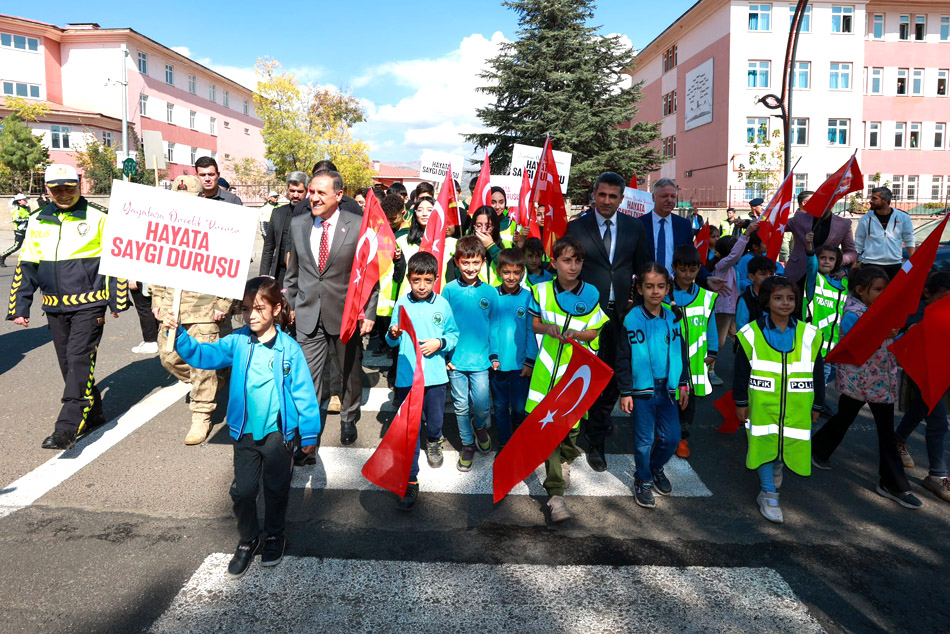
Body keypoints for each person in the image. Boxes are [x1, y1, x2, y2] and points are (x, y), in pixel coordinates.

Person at [165, 276, 320, 577]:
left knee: (276, 490)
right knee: (244, 492)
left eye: (260, 308)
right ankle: (249, 539)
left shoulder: (289, 349)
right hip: (244, 433)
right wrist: (179, 334)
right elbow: (204, 355)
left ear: (276, 309)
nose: (252, 315)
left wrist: (310, 433)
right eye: (247, 308)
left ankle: (275, 535)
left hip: (279, 435)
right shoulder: (237, 342)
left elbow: (304, 392)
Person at [6, 164, 127, 449]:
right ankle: (94, 411)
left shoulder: (99, 217)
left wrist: (117, 298)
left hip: (89, 303)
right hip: (53, 307)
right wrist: (20, 307)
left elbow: (116, 261)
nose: (62, 193)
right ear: (46, 190)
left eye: (68, 188)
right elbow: (27, 266)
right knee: (68, 364)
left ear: (79, 187)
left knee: (78, 359)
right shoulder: (37, 220)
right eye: (56, 188)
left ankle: (67, 426)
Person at [811, 266, 923, 509]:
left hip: (880, 380)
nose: (884, 294)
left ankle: (819, 450)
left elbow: (889, 342)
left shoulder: (881, 310)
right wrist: (887, 333)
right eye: (878, 290)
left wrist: (905, 334)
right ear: (860, 291)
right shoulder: (853, 314)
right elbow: (859, 343)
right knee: (862, 424)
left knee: (852, 420)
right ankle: (893, 483)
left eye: (886, 289)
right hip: (860, 380)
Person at [565, 172, 651, 472]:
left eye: (613, 196)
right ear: (594, 194)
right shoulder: (576, 227)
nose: (606, 201)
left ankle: (596, 436)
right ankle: (580, 430)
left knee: (613, 377)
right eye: (602, 195)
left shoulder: (633, 227)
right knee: (583, 375)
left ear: (621, 199)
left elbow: (644, 268)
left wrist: (641, 307)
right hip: (584, 316)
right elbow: (566, 268)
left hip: (620, 317)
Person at [285, 169, 377, 447]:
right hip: (307, 314)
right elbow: (293, 273)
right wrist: (289, 306)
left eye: (320, 193)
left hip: (346, 315)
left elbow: (371, 274)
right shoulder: (298, 224)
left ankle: (348, 419)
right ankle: (309, 430)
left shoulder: (359, 225)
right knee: (307, 376)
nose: (313, 198)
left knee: (349, 373)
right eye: (311, 192)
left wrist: (369, 313)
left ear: (339, 195)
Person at [526, 236, 609, 522]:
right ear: (554, 262)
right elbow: (534, 324)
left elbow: (595, 331)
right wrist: (547, 328)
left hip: (577, 375)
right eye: (566, 260)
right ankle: (556, 494)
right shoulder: (540, 291)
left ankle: (566, 458)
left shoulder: (592, 293)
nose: (572, 266)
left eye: (577, 260)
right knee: (552, 432)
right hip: (547, 373)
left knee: (571, 432)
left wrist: (577, 335)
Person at [151, 175, 235, 445]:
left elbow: (231, 268)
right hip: (173, 308)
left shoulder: (218, 229)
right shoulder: (167, 229)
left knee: (201, 366)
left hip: (204, 310)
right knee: (168, 358)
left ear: (201, 199)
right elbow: (156, 268)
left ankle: (201, 414)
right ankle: (218, 376)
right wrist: (157, 300)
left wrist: (223, 304)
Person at [734, 276, 825, 523]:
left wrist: (818, 404)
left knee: (784, 447)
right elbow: (741, 371)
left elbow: (817, 371)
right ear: (766, 301)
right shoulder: (751, 333)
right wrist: (741, 402)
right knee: (764, 444)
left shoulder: (810, 335)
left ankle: (777, 463)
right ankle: (769, 494)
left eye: (790, 298)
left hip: (797, 405)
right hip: (762, 404)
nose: (785, 303)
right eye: (778, 298)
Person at [387, 252, 459, 510]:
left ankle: (434, 441)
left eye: (427, 281)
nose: (421, 286)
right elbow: (391, 340)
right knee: (409, 430)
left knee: (435, 420)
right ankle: (410, 479)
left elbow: (453, 334)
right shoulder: (401, 304)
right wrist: (393, 333)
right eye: (417, 280)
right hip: (408, 378)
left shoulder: (442, 305)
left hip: (436, 377)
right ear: (408, 279)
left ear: (435, 280)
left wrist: (440, 342)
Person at [617, 262, 688, 509]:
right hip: (642, 391)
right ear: (639, 289)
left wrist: (683, 383)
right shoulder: (631, 318)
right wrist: (625, 391)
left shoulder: (675, 317)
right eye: (649, 287)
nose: (655, 292)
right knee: (644, 440)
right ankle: (643, 479)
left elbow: (682, 352)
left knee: (671, 438)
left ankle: (655, 467)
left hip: (668, 389)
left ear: (668, 288)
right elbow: (623, 357)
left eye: (660, 286)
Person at [894, 271, 950, 503]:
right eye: (944, 297)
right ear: (928, 293)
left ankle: (897, 438)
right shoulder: (914, 313)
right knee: (938, 422)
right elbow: (898, 342)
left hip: (943, 369)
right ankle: (938, 475)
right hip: (921, 371)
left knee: (921, 408)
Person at [442, 236, 497, 471]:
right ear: (457, 262)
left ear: (483, 262)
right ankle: (467, 445)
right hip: (455, 361)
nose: (471, 268)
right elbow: (442, 323)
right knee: (461, 405)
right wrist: (445, 355)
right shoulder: (449, 290)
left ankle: (480, 427)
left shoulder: (490, 292)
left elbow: (495, 325)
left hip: (481, 361)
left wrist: (494, 355)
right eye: (465, 263)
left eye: (475, 263)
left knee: (483, 404)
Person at [671, 245, 718, 459]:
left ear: (699, 268)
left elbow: (711, 324)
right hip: (669, 360)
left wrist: (713, 352)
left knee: (688, 403)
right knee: (667, 398)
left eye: (692, 270)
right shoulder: (664, 294)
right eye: (683, 270)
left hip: (695, 362)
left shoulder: (706, 297)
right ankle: (664, 433)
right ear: (674, 268)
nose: (688, 274)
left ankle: (682, 437)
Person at [489, 248, 536, 449]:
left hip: (520, 364)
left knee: (518, 406)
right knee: (499, 406)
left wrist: (530, 360)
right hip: (496, 363)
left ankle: (518, 434)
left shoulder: (528, 297)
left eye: (516, 273)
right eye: (506, 272)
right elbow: (487, 328)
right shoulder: (491, 294)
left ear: (522, 273)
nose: (511, 277)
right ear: (499, 271)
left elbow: (531, 331)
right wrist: (491, 356)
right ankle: (504, 443)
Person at [785, 190, 857, 287]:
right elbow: (777, 227)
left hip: (826, 276)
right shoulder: (800, 218)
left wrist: (835, 261)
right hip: (798, 273)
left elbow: (851, 252)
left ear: (831, 205)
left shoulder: (843, 224)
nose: (821, 207)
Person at [260, 172, 309, 288]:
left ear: (306, 191)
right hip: (280, 273)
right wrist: (263, 274)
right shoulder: (278, 213)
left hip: (304, 275)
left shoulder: (313, 214)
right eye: (292, 191)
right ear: (288, 191)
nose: (295, 195)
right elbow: (269, 246)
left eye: (300, 191)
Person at [855, 187, 915, 280]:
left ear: (885, 200)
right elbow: (859, 242)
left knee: (893, 293)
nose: (871, 201)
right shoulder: (865, 219)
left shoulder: (903, 217)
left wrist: (913, 261)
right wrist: (855, 263)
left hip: (894, 264)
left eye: (875, 198)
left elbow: (909, 239)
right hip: (871, 264)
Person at [735, 255, 777, 331]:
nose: (768, 277)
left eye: (771, 274)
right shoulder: (746, 299)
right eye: (763, 274)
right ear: (752, 277)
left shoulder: (776, 296)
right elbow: (741, 327)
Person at [1, 193, 30, 267]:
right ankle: (2, 256)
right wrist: (28, 219)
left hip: (27, 229)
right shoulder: (17, 209)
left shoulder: (25, 208)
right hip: (20, 230)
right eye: (24, 200)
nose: (26, 201)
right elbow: (16, 219)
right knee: (17, 246)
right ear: (19, 201)